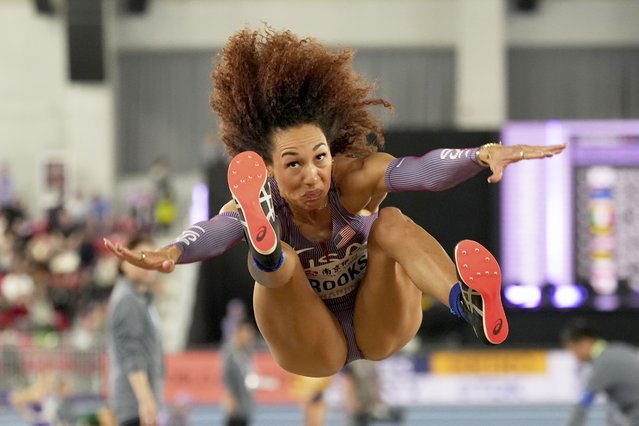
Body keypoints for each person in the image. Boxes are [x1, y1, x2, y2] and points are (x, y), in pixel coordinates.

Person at [104, 27, 566, 378]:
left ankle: (468, 304)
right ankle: (266, 254)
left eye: (319, 157)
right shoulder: (254, 204)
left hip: (379, 322)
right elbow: (216, 230)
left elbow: (421, 171)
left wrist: (479, 154)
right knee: (275, 256)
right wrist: (173, 251)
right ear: (266, 169)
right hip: (312, 345)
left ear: (331, 153)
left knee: (391, 223)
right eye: (293, 164)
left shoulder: (353, 178)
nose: (313, 175)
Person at [105, 236, 165, 426]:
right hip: (134, 405)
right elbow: (131, 353)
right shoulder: (127, 300)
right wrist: (145, 399)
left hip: (137, 402)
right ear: (123, 263)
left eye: (150, 257)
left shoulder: (141, 299)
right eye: (140, 256)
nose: (146, 262)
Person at [561, 320, 639, 426]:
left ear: (585, 342)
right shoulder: (616, 350)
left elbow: (583, 404)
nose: (575, 356)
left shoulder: (603, 363)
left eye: (574, 350)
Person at [221, 320, 257, 426]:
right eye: (247, 333)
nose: (249, 337)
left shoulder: (247, 352)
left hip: (245, 399)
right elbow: (226, 376)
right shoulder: (230, 352)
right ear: (238, 332)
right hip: (235, 400)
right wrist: (230, 396)